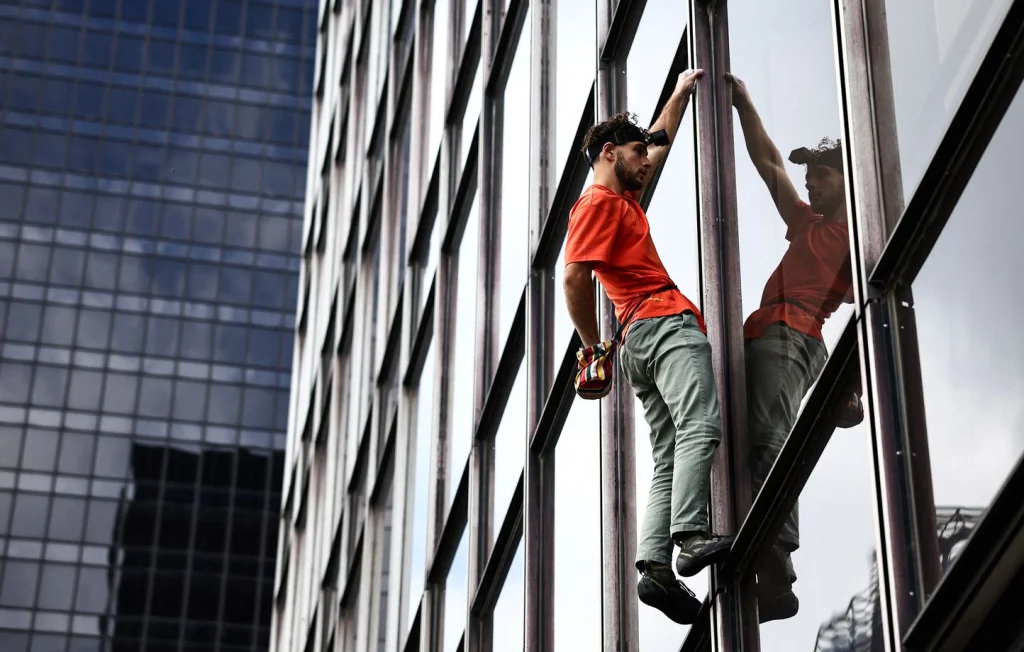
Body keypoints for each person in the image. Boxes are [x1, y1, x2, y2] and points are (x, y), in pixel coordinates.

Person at [563, 69, 734, 626]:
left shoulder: (621, 191)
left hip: (638, 336)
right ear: (610, 153)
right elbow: (572, 278)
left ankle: (655, 567)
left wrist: (680, 94)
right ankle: (689, 536)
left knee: (667, 454)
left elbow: (657, 139)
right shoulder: (595, 205)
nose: (648, 161)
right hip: (662, 325)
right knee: (701, 423)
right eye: (637, 154)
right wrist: (591, 351)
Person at [725, 72, 864, 623]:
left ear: (846, 181)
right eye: (810, 176)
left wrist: (850, 386)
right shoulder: (808, 224)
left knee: (768, 438)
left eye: (822, 176)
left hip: (794, 336)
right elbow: (768, 164)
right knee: (750, 439)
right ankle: (763, 549)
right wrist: (744, 102)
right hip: (776, 337)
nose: (810, 184)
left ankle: (776, 565)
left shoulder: (856, 232)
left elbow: (877, 293)